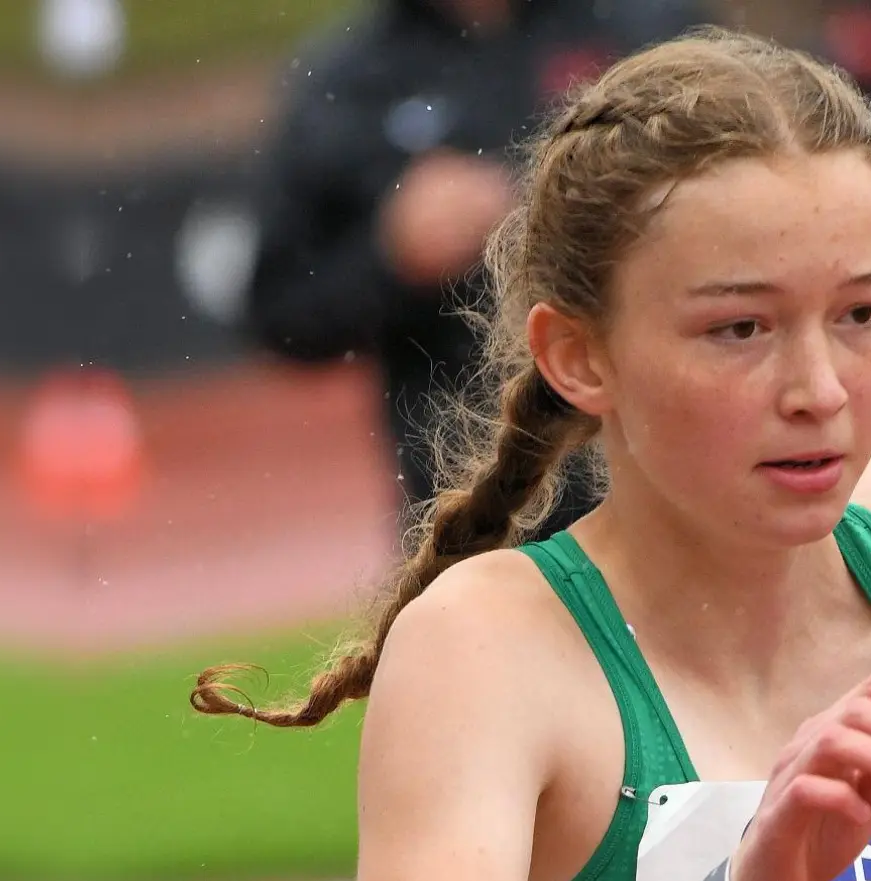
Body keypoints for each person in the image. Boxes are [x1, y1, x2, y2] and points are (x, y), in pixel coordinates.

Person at [195, 27, 871, 881]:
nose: (820, 391)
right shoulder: (488, 661)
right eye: (740, 328)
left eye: (862, 314)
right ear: (579, 357)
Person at [245, 0, 703, 532]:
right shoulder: (346, 80)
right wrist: (390, 257)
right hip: (481, 510)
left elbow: (742, 200)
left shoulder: (647, 26)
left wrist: (544, 200)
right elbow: (279, 310)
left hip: (668, 482)